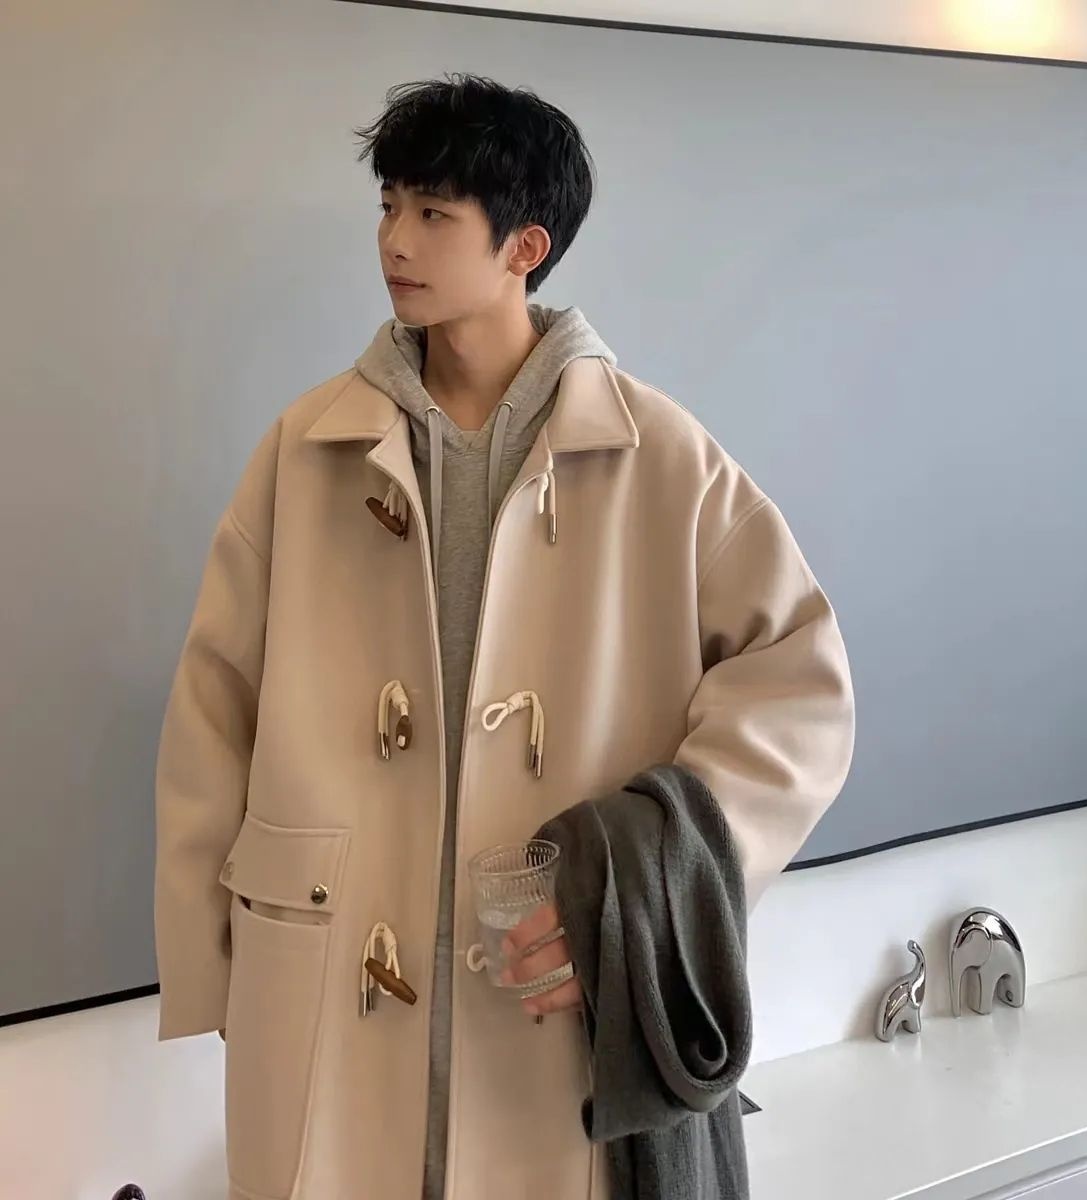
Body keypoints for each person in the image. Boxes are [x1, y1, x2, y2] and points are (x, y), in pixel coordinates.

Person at [153, 74, 854, 1200]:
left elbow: (800, 682)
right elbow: (212, 706)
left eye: (434, 213)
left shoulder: (660, 454)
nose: (395, 240)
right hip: (331, 974)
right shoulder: (306, 448)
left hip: (542, 980)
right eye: (389, 205)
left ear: (525, 246)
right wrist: (213, 962)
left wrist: (645, 890)